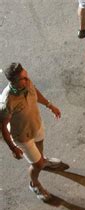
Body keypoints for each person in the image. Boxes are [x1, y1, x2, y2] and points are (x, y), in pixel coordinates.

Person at [0, 63, 62, 202]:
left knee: (40, 150)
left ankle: (43, 161)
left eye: (26, 76)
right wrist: (13, 148)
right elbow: (3, 127)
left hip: (36, 125)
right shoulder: (7, 102)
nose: (28, 80)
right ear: (14, 82)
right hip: (23, 136)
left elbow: (35, 92)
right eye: (24, 79)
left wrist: (50, 105)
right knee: (37, 164)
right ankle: (34, 184)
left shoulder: (27, 83)